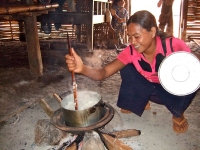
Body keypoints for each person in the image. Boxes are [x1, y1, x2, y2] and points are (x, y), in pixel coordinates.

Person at [65, 10, 198, 134]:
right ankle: (142, 98)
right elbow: (103, 73)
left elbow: (194, 68)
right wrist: (82, 68)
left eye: (137, 36)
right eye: (129, 37)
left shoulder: (173, 45)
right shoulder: (130, 52)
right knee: (126, 68)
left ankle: (177, 113)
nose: (132, 42)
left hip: (171, 91)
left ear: (152, 32)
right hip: (149, 88)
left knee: (194, 81)